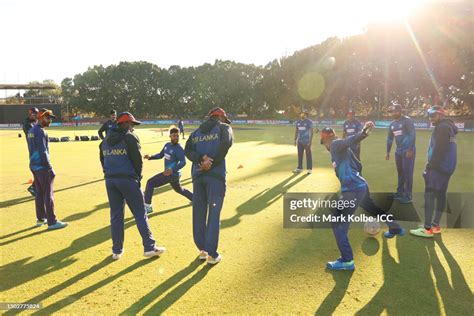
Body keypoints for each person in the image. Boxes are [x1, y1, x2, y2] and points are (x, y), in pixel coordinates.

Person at [320, 124, 405, 271]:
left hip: (352, 189)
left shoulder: (335, 144)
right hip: (360, 186)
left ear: (326, 138)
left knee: (338, 222)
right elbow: (359, 165)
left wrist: (364, 133)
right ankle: (395, 228)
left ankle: (347, 261)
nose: (325, 146)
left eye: (324, 142)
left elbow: (350, 140)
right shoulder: (341, 150)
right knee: (373, 209)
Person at [99, 111, 165, 260]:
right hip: (128, 180)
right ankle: (149, 247)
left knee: (116, 216)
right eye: (132, 124)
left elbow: (102, 158)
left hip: (110, 180)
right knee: (140, 213)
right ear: (125, 123)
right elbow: (138, 161)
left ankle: (117, 250)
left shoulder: (106, 140)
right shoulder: (130, 137)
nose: (133, 127)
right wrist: (137, 177)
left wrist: (108, 173)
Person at [184, 107, 233, 265]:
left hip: (198, 176)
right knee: (213, 214)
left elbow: (187, 150)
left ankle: (203, 250)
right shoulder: (224, 128)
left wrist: (200, 159)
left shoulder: (196, 132)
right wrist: (211, 161)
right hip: (216, 176)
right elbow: (226, 144)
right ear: (221, 117)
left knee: (198, 213)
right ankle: (212, 253)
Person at [410, 106, 458, 238]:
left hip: (438, 168)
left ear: (441, 115)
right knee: (441, 195)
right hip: (446, 168)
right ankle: (435, 225)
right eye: (429, 115)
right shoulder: (448, 127)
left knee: (429, 196)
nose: (431, 118)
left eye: (434, 115)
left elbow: (439, 150)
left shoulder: (442, 128)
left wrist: (430, 166)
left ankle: (427, 229)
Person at [27, 108, 68, 230]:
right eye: (47, 117)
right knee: (48, 193)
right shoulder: (40, 131)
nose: (50, 120)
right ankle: (52, 221)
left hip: (34, 165)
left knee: (39, 193)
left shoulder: (31, 130)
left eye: (50, 118)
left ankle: (41, 218)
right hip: (43, 167)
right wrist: (49, 167)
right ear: (40, 117)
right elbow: (43, 151)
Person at [143, 127, 192, 214]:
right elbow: (161, 155)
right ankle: (195, 199)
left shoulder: (179, 148)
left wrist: (172, 169)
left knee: (150, 182)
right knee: (179, 190)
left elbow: (183, 162)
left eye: (177, 136)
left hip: (172, 174)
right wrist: (150, 157)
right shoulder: (167, 145)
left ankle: (148, 206)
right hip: (172, 175)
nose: (176, 137)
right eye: (174, 136)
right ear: (170, 136)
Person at [385, 103, 416, 204]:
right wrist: (388, 151)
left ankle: (408, 195)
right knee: (400, 172)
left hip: (408, 151)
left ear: (399, 111)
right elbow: (390, 138)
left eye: (394, 111)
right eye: (392, 112)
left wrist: (410, 149)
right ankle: (400, 192)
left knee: (407, 173)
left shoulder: (407, 121)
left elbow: (412, 135)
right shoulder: (392, 124)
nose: (392, 113)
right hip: (398, 151)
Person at [23, 107, 39, 197]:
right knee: (39, 171)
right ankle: (33, 187)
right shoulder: (27, 124)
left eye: (37, 114)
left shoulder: (35, 121)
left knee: (41, 171)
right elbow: (32, 135)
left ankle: (36, 188)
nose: (36, 116)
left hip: (38, 149)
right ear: (30, 115)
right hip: (34, 151)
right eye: (34, 115)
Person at [293, 110, 314, 174]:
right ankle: (299, 168)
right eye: (301, 114)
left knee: (308, 155)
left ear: (306, 115)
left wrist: (310, 142)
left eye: (304, 114)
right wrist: (295, 140)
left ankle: (309, 169)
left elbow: (311, 132)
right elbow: (296, 131)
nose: (302, 115)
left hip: (307, 141)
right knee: (300, 155)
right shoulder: (298, 122)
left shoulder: (309, 122)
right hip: (300, 141)